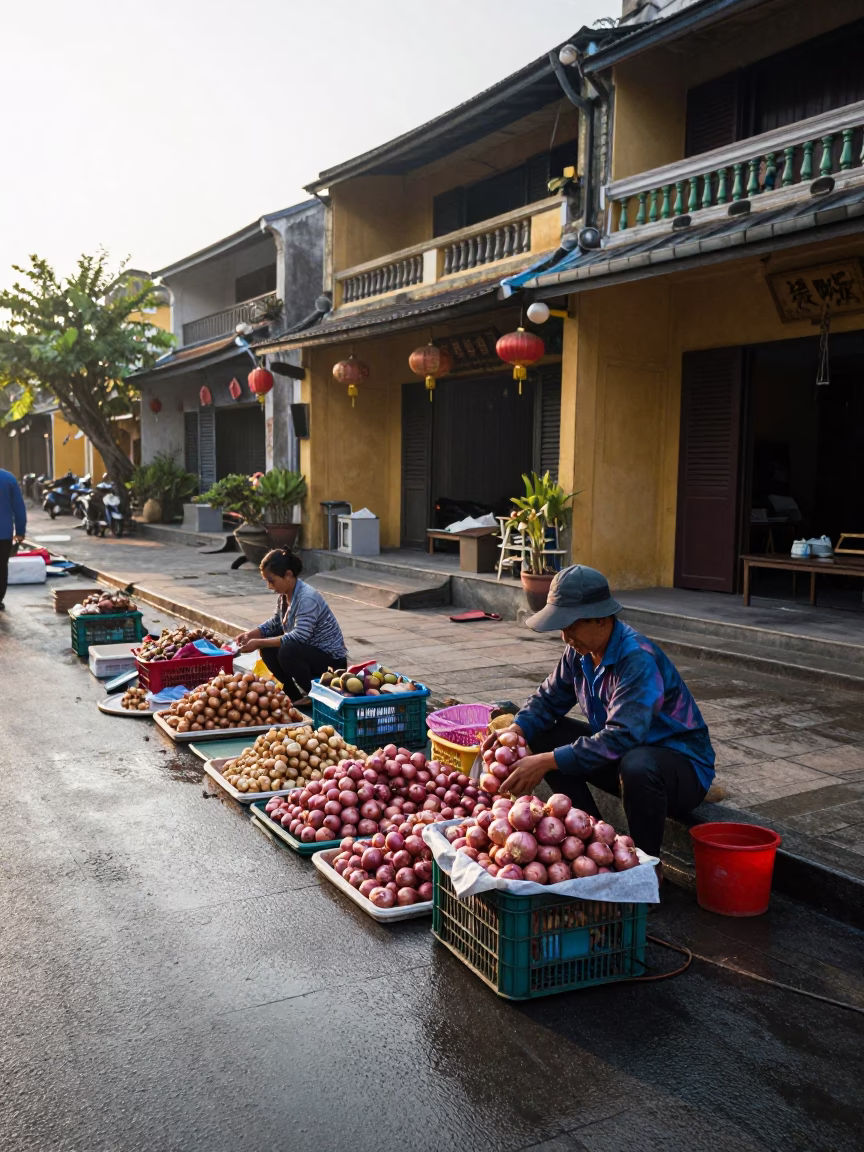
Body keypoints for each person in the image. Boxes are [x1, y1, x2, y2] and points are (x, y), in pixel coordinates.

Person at [482, 564, 715, 858]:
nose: (566, 637)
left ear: (602, 619)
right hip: (625, 756)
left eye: (571, 626)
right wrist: (517, 729)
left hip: (679, 770)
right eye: (562, 628)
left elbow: (622, 738)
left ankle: (645, 864)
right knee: (542, 732)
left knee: (637, 765)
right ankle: (591, 837)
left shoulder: (637, 659)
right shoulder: (579, 653)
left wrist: (545, 762)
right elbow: (548, 699)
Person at [233, 549, 348, 702]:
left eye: (271, 580)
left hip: (331, 661)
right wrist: (252, 634)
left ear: (288, 575)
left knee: (287, 650)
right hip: (309, 652)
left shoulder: (307, 598)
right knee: (268, 649)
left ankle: (318, 695)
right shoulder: (284, 597)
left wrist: (259, 642)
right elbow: (276, 622)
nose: (269, 586)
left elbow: (299, 636)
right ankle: (294, 697)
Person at [0, 468, 27, 611]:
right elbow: (19, 507)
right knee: (1, 567)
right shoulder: (8, 478)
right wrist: (20, 530)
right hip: (4, 533)